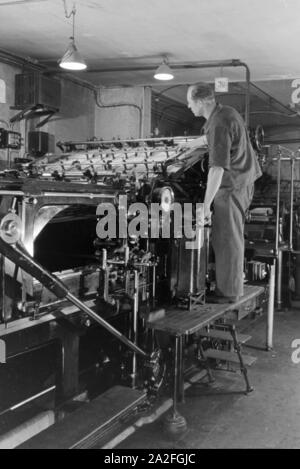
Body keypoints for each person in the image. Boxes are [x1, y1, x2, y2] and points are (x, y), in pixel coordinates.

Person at [185, 82, 262, 303]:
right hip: (243, 179)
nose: (188, 106)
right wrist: (188, 145)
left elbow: (217, 168)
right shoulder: (225, 112)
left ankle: (229, 292)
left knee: (227, 238)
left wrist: (206, 205)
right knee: (227, 236)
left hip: (232, 185)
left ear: (200, 101)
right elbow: (214, 139)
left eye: (190, 102)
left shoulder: (218, 123)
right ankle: (228, 286)